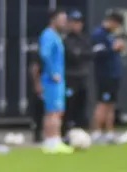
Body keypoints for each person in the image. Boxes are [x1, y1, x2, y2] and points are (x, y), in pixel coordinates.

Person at [39, 9, 73, 154]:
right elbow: (44, 54)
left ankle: (50, 141)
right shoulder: (48, 35)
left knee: (55, 111)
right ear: (53, 19)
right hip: (52, 80)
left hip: (57, 79)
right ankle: (53, 140)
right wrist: (53, 72)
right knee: (54, 111)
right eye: (62, 19)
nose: (64, 22)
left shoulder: (55, 36)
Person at [89, 12, 125, 144]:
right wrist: (113, 48)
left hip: (114, 74)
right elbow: (98, 53)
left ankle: (109, 132)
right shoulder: (98, 34)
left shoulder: (111, 34)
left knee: (111, 104)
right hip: (104, 74)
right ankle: (97, 131)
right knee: (103, 103)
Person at [62, 10, 92, 136]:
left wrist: (81, 53)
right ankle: (65, 131)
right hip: (70, 77)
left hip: (82, 76)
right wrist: (80, 54)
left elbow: (90, 54)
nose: (76, 25)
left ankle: (79, 131)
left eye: (78, 22)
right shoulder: (65, 39)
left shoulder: (84, 39)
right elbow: (72, 55)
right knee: (69, 106)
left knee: (82, 105)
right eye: (73, 22)